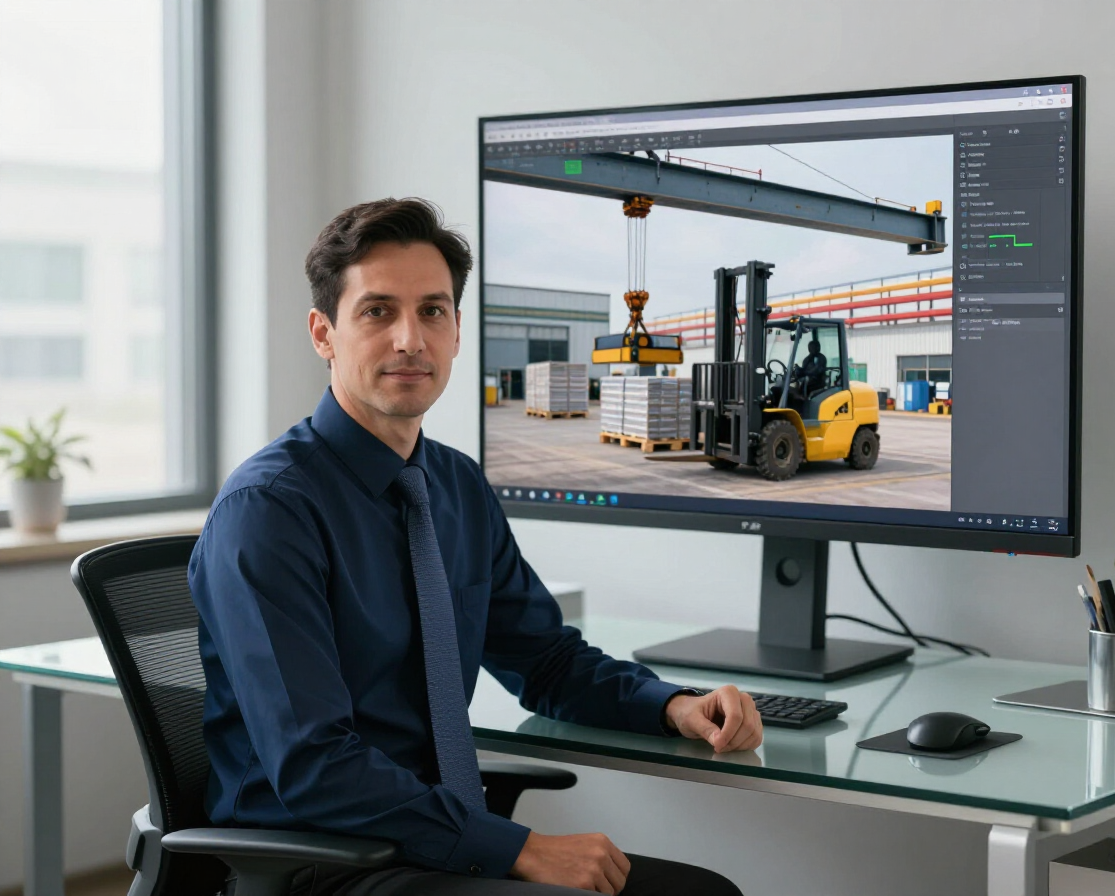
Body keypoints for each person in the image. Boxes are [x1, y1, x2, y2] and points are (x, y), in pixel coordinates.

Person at [190, 198, 760, 896]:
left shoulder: (452, 485)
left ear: (457, 331)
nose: (410, 338)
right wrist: (516, 848)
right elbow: (313, 765)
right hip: (319, 860)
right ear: (323, 333)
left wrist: (671, 704)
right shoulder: (270, 510)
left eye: (433, 311)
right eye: (377, 312)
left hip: (429, 840)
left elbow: (545, 661)